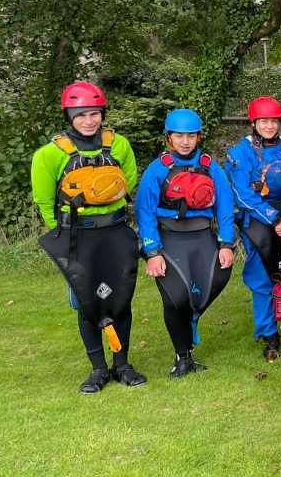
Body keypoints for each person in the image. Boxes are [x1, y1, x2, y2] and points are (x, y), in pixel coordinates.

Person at [32, 82, 147, 393]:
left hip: (116, 232)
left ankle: (122, 365)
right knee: (88, 302)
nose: (88, 121)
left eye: (94, 114)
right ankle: (98, 369)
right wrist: (63, 230)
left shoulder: (118, 145)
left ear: (102, 114)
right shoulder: (50, 154)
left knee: (121, 298)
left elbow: (129, 180)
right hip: (78, 237)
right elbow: (44, 200)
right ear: (69, 116)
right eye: (80, 115)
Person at [135, 109, 235, 379]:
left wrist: (227, 243)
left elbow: (225, 206)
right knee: (175, 298)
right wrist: (152, 250)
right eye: (179, 135)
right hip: (169, 238)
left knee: (215, 282)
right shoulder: (157, 169)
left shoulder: (210, 166)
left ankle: (191, 319)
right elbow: (144, 211)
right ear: (169, 137)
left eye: (191, 135)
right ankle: (182, 357)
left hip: (203, 236)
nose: (185, 141)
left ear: (198, 136)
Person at [225, 97, 281, 362]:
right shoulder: (239, 153)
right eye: (264, 121)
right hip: (258, 217)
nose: (269, 126)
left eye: (274, 121)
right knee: (263, 279)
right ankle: (269, 335)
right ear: (254, 122)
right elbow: (242, 193)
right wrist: (274, 218)